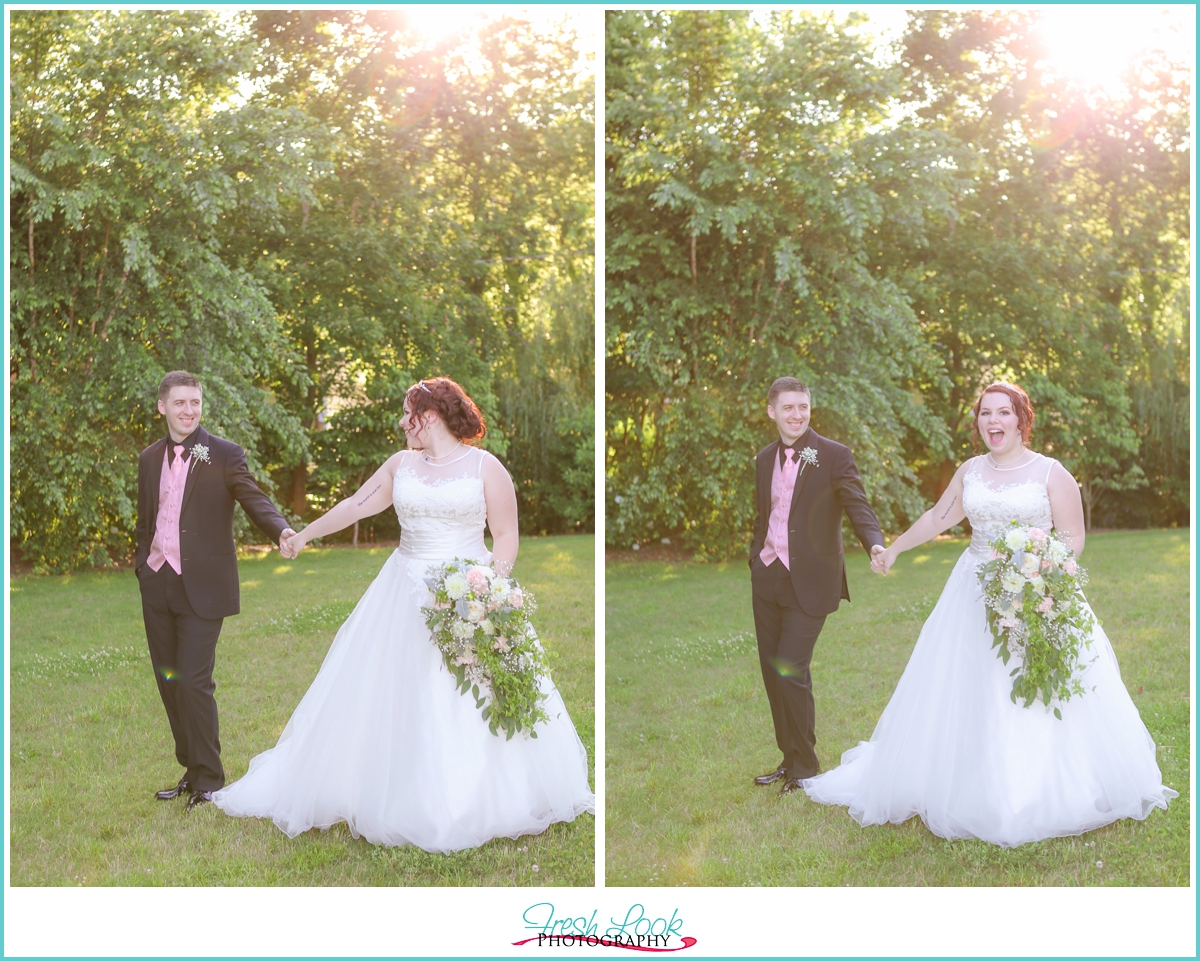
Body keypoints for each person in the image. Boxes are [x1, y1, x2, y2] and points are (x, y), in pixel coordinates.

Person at [213, 377, 595, 851]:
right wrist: (304, 535)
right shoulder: (401, 466)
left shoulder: (485, 467)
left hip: (469, 593)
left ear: (429, 416)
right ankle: (390, 789)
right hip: (403, 592)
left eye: (406, 412)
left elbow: (507, 535)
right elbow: (354, 506)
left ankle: (483, 795)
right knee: (394, 690)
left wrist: (487, 592)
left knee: (470, 691)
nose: (400, 421)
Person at [803, 382, 1177, 846]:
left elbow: (1073, 537)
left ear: (1022, 420)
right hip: (973, 591)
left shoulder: (1051, 473)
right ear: (978, 422)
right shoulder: (970, 471)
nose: (993, 422)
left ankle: (1042, 785)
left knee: (1036, 685)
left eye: (1003, 413)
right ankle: (964, 779)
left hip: (1038, 591)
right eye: (985, 414)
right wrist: (894, 549)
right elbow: (939, 517)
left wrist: (1040, 572)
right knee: (966, 685)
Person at [136, 371, 295, 812]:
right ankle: (191, 769)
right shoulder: (150, 458)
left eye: (196, 402)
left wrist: (280, 530)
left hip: (203, 587)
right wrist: (141, 568)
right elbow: (146, 519)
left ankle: (210, 779)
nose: (189, 410)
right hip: (157, 581)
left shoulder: (223, 454)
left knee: (192, 680)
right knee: (170, 683)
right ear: (162, 406)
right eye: (181, 402)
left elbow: (253, 497)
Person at [748, 377, 886, 795]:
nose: (797, 414)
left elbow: (856, 504)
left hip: (810, 582)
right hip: (768, 576)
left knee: (791, 669)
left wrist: (875, 543)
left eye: (803, 407)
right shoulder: (763, 458)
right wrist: (755, 558)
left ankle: (805, 768)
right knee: (774, 674)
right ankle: (789, 759)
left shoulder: (833, 455)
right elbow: (764, 514)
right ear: (771, 411)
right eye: (788, 407)